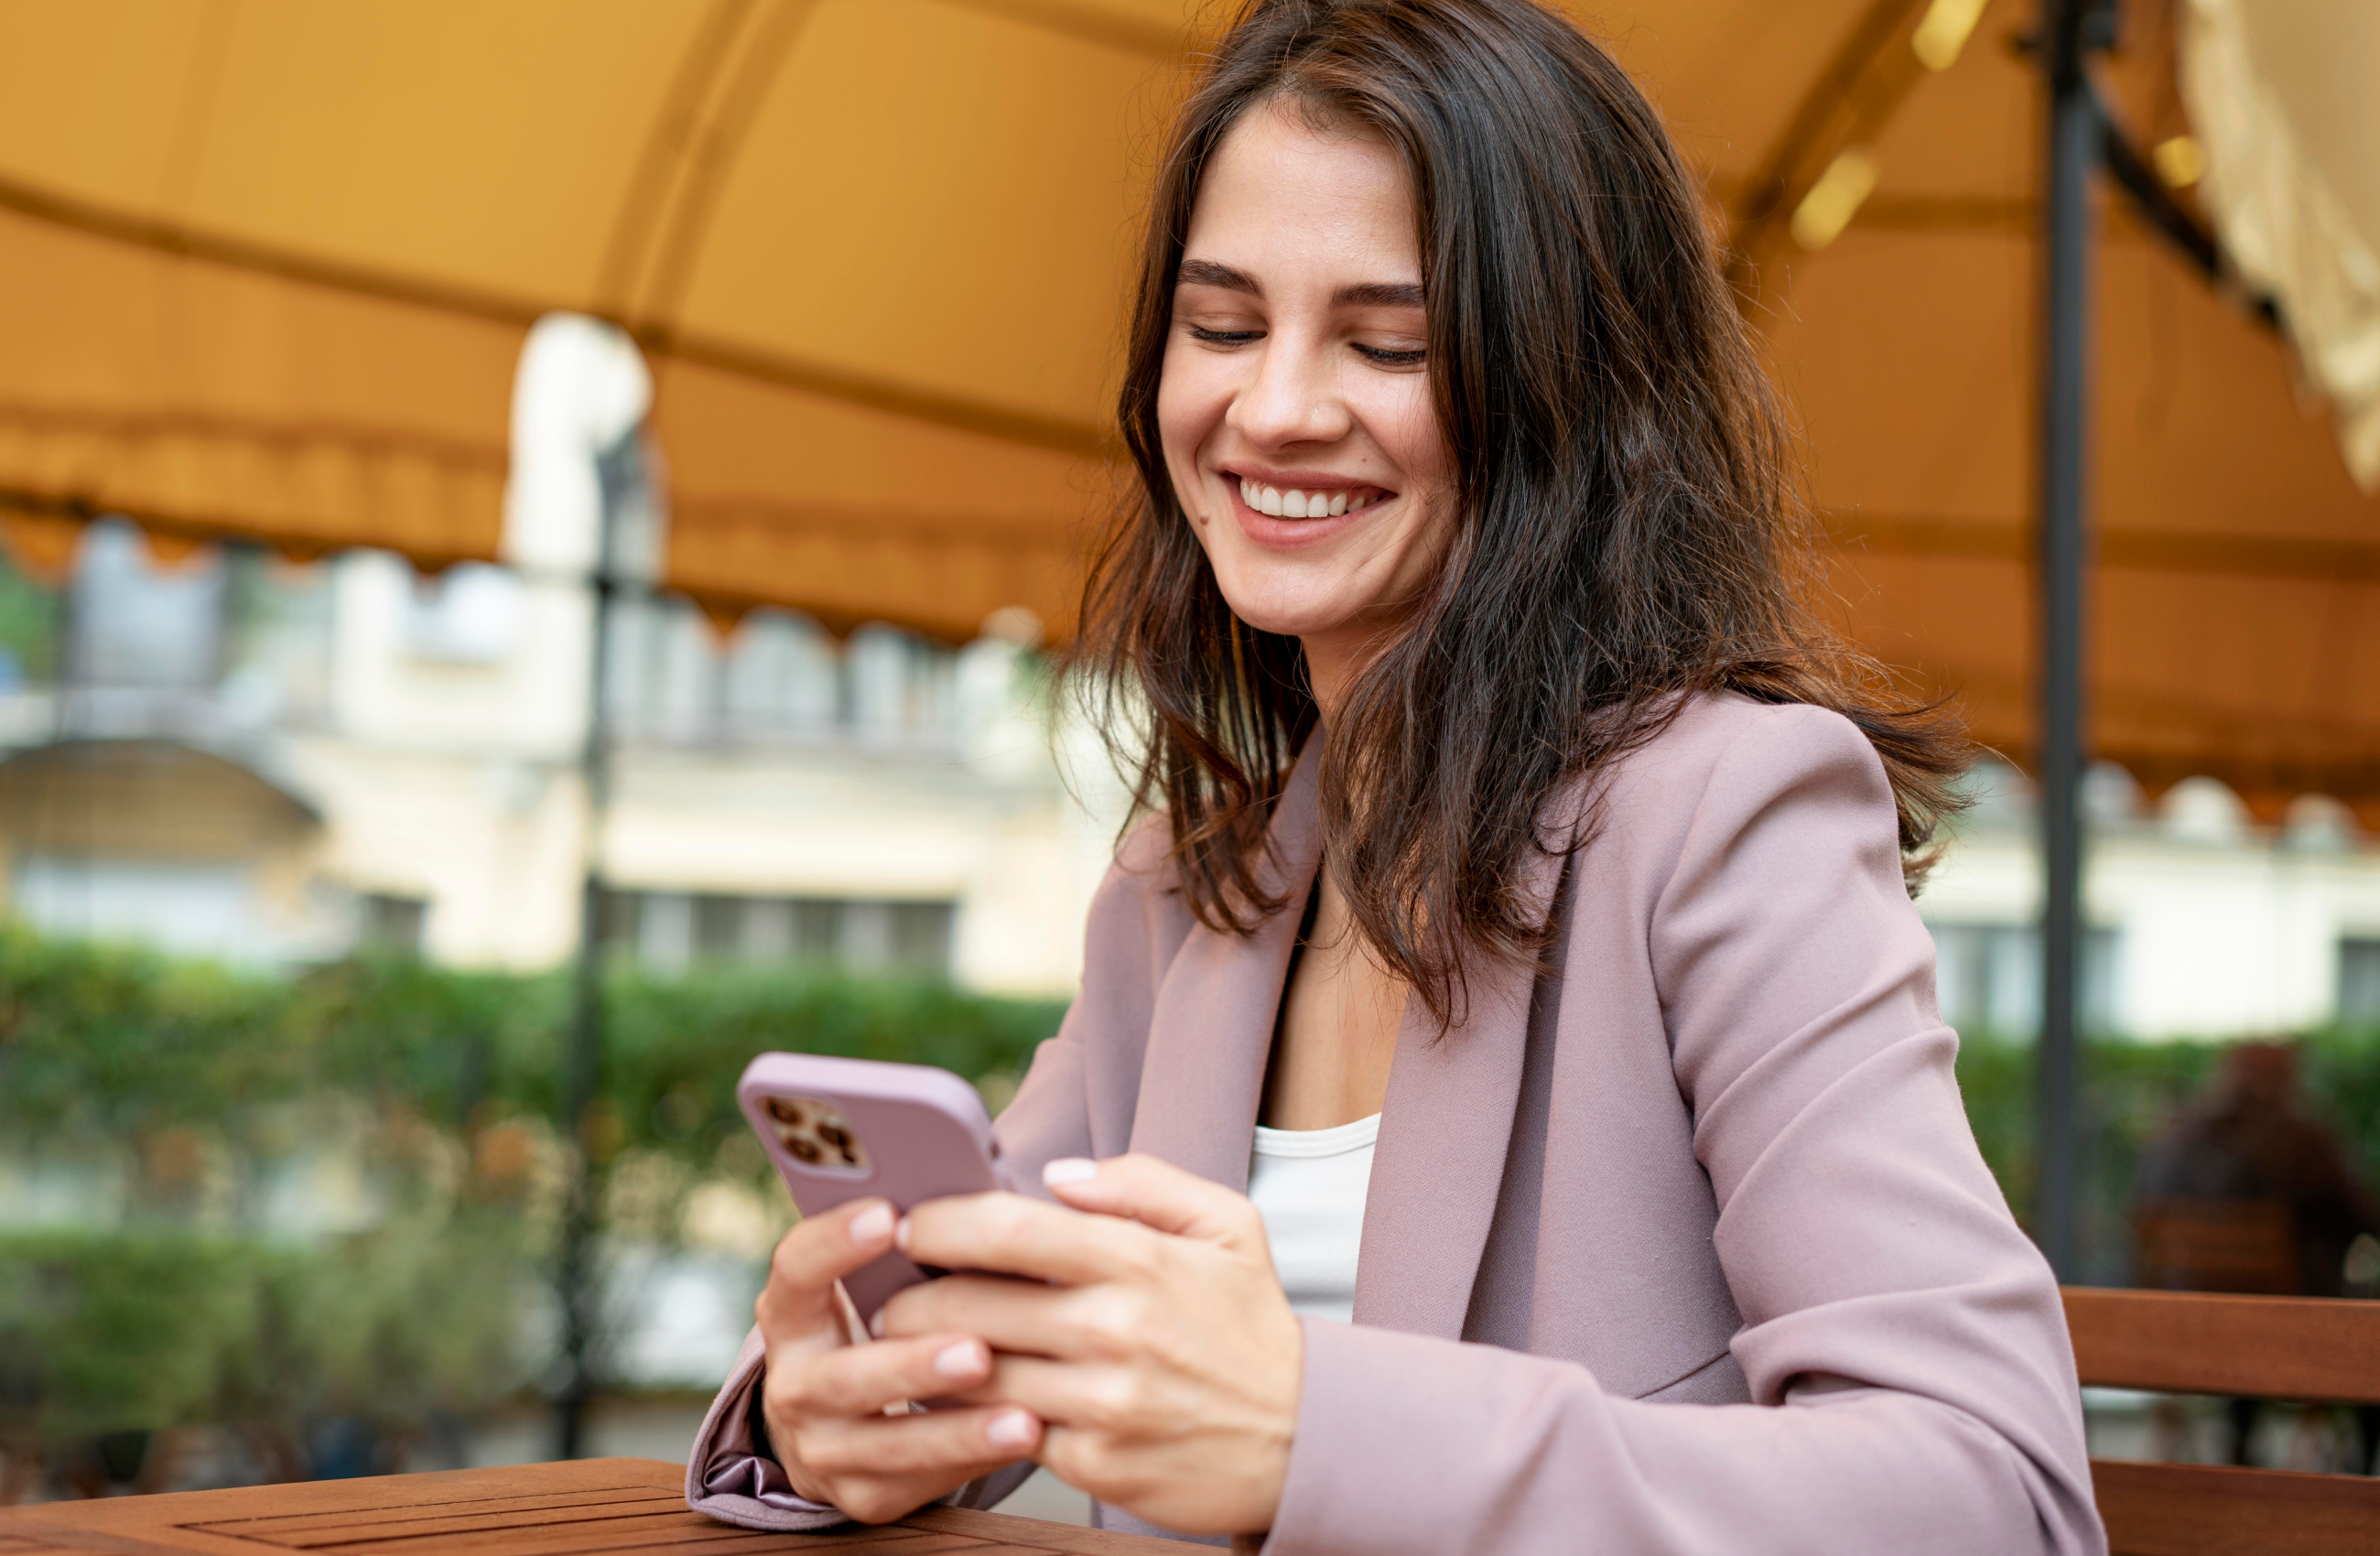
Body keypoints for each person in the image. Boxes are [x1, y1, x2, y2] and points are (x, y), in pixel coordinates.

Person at [685, 2, 2104, 1551]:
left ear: (1572, 392)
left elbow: (1997, 1492)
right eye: (1222, 325)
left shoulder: (1730, 817)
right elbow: (980, 1326)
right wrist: (831, 1406)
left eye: (1391, 344)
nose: (1276, 408)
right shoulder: (1189, 883)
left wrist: (1314, 1436)